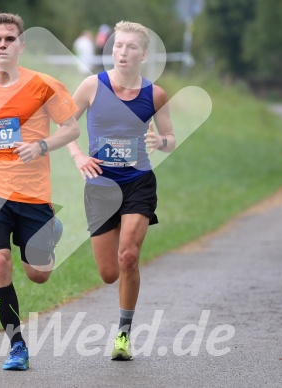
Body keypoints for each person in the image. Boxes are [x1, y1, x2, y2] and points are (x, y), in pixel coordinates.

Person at [0, 13, 80, 370]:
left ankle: (51, 229)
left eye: (10, 39)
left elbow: (70, 129)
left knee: (38, 274)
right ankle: (16, 346)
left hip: (33, 193)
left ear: (21, 46)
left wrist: (41, 147)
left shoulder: (45, 85)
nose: (3, 45)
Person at [66, 21, 176, 361]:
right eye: (117, 46)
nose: (122, 52)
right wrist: (79, 156)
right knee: (109, 273)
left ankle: (123, 335)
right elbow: (65, 123)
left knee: (128, 256)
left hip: (138, 182)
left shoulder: (154, 94)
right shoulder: (91, 86)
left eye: (130, 47)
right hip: (100, 186)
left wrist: (161, 141)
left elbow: (171, 139)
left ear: (143, 54)